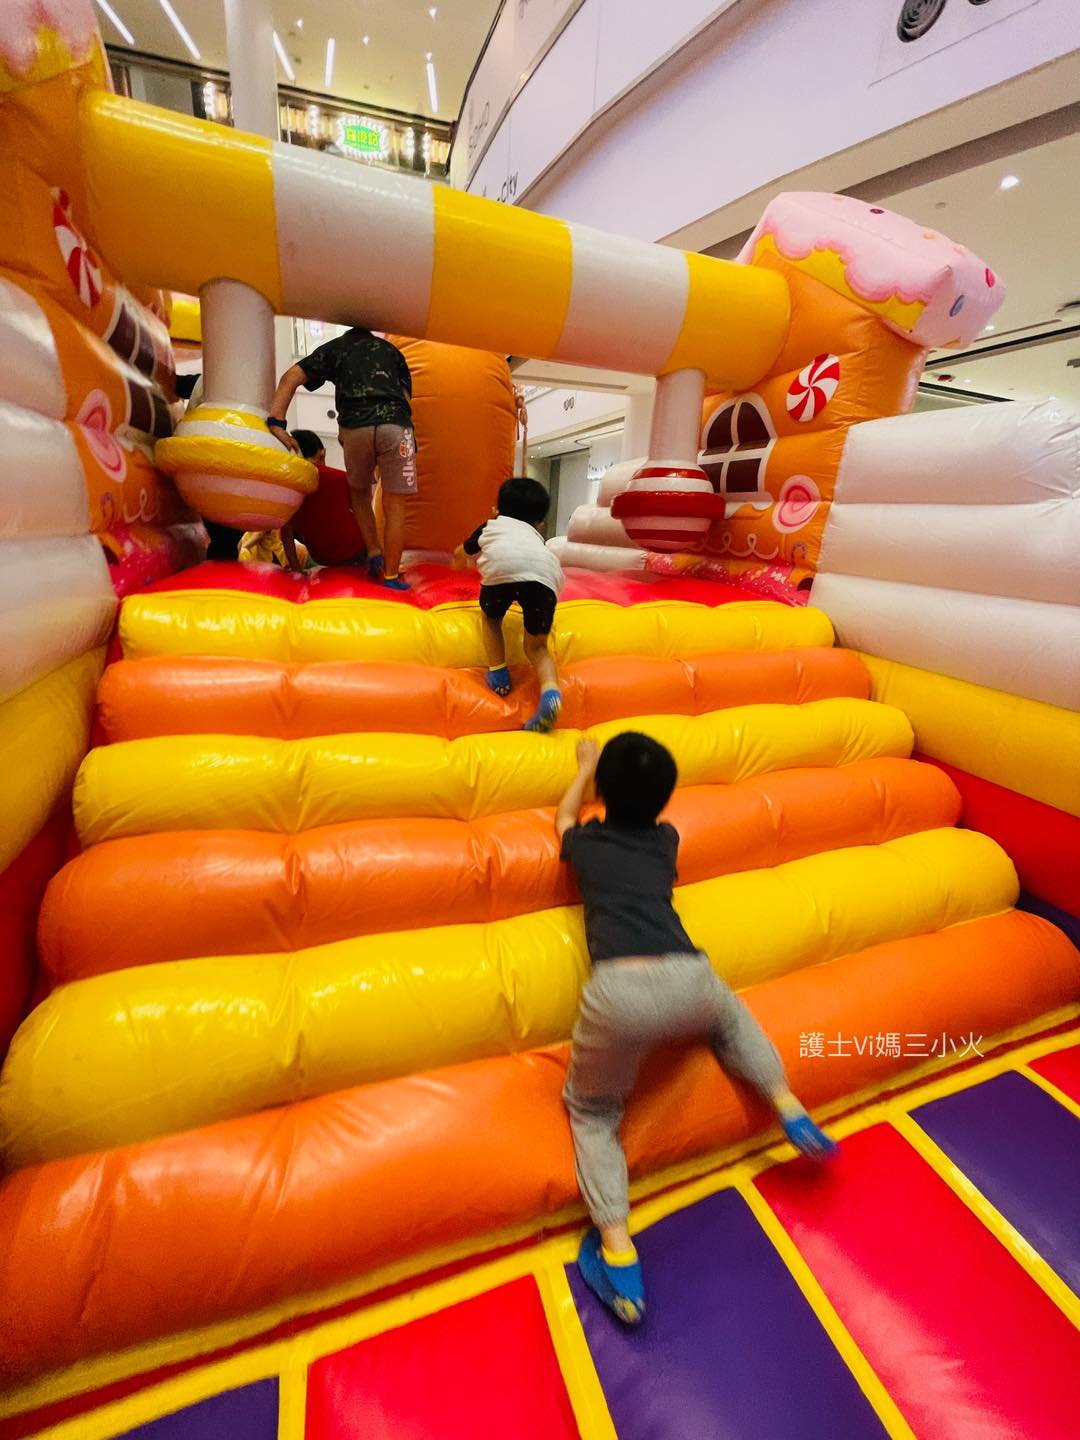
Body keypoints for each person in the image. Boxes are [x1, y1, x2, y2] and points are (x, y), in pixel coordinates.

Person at [557, 732, 837, 1325]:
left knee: (593, 1110)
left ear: (602, 791)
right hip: (690, 976)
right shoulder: (666, 840)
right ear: (664, 802)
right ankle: (784, 1100)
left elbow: (562, 820)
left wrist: (582, 769)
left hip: (622, 993)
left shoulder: (587, 844)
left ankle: (618, 1253)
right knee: (730, 1018)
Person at [268, 328, 416, 590]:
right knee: (396, 504)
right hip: (397, 427)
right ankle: (391, 576)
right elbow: (405, 399)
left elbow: (290, 377)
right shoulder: (392, 352)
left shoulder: (336, 348)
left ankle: (374, 552)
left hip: (355, 426)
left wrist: (277, 422)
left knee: (359, 494)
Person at [460, 477, 564, 733]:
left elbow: (462, 551)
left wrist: (457, 564)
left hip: (502, 570)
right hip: (545, 576)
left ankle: (498, 674)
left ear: (497, 510)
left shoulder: (492, 525)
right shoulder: (535, 536)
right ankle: (551, 692)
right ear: (540, 522)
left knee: (492, 619)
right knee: (537, 648)